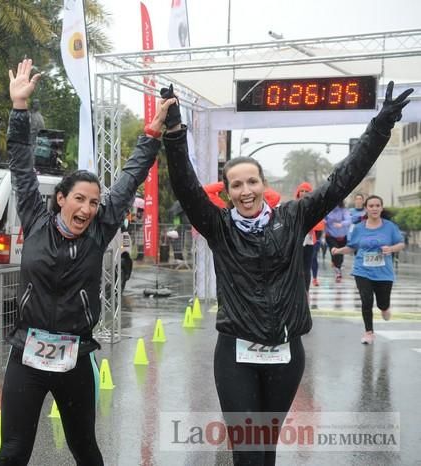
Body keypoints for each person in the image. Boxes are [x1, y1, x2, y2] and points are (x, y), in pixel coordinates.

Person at [163, 81, 412, 465]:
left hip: (285, 352)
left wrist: (380, 126)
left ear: (264, 185)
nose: (246, 191)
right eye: (237, 185)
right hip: (236, 354)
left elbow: (340, 180)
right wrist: (176, 132)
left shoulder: (293, 217)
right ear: (227, 192)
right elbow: (185, 186)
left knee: (266, 449)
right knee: (247, 452)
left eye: (252, 182)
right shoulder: (218, 227)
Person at [0, 58, 173, 466]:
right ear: (61, 199)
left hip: (75, 356)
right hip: (28, 351)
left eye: (94, 202)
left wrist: (152, 135)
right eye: (80, 199)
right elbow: (20, 164)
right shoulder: (36, 220)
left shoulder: (99, 231)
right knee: (13, 451)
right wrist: (19, 110)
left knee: (85, 449)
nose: (88, 208)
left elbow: (128, 178)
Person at [331, 195, 405, 345]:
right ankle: (369, 332)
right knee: (366, 300)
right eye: (371, 206)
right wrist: (338, 251)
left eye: (377, 205)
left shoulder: (390, 226)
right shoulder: (359, 228)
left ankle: (385, 308)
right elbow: (352, 247)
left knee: (382, 304)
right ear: (366, 209)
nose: (374, 208)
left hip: (384, 272)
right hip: (362, 270)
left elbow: (401, 244)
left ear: (381, 208)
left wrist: (390, 248)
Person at [294, 182, 325, 290]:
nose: (304, 193)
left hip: (310, 241)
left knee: (307, 268)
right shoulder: (292, 206)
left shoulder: (315, 206)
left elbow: (320, 225)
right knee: (296, 268)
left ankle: (306, 292)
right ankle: (295, 291)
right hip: (295, 242)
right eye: (301, 191)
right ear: (298, 193)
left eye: (307, 191)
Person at [325, 200, 351, 283]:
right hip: (330, 236)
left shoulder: (343, 210)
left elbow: (348, 221)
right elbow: (322, 219)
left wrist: (341, 224)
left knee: (340, 254)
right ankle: (338, 272)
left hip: (342, 236)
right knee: (335, 251)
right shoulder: (326, 210)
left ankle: (337, 266)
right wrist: (324, 222)